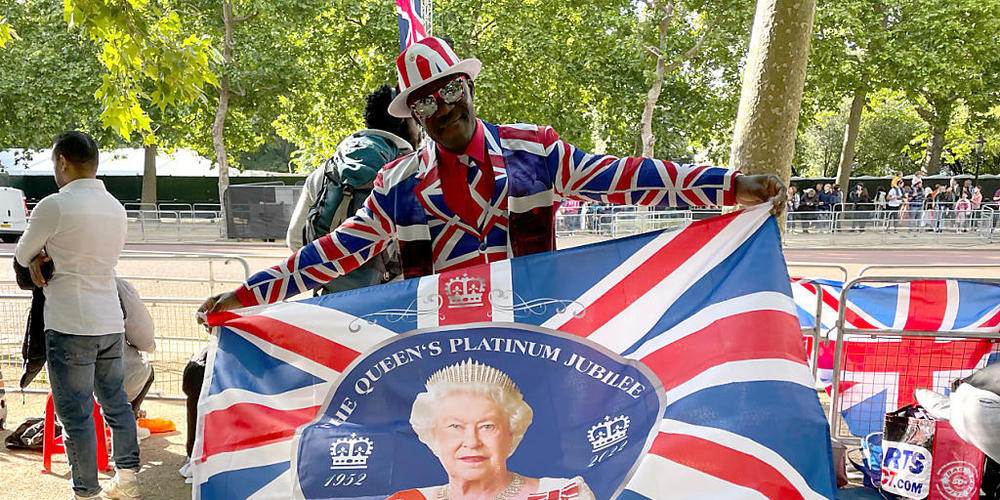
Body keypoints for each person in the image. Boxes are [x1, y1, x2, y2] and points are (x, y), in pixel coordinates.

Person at [199, 37, 785, 314]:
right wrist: (245, 296)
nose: (443, 108)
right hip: (440, 351)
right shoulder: (397, 187)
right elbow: (329, 254)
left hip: (535, 334)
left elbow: (628, 177)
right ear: (415, 117)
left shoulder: (538, 153)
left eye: (451, 89)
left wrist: (731, 186)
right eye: (425, 102)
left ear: (469, 86)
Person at [14, 131, 140, 499]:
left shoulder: (54, 205)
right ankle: (128, 480)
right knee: (116, 404)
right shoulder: (116, 207)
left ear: (62, 161)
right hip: (109, 320)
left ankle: (86, 491)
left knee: (76, 415)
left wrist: (39, 257)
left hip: (69, 322)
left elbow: (22, 254)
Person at [389, 359, 595, 500]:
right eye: (455, 426)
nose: (472, 442)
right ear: (432, 436)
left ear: (511, 434)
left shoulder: (564, 495)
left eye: (487, 426)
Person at [284, 84, 420, 293]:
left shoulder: (327, 170)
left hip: (330, 300)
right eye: (415, 119)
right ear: (403, 119)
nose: (420, 128)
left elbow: (295, 239)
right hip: (392, 298)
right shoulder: (411, 172)